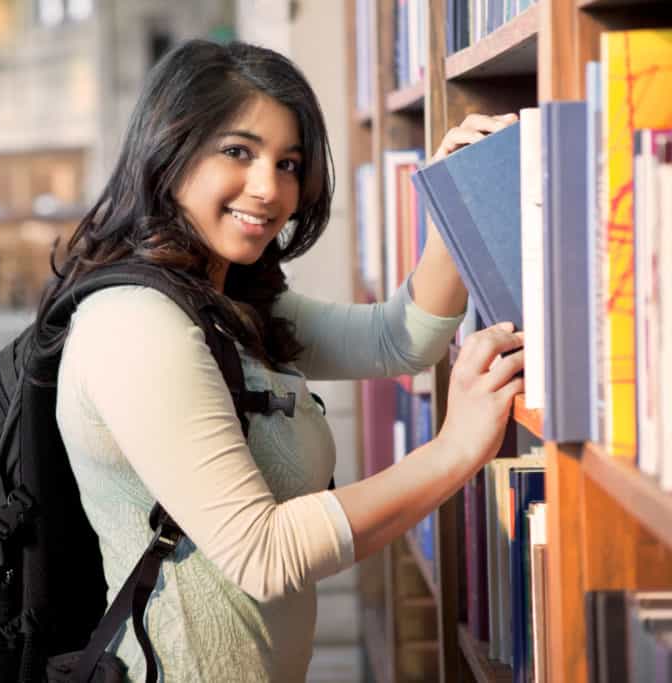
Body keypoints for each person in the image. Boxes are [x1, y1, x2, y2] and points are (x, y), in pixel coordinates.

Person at [41, 40, 524, 682]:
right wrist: (454, 451)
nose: (269, 188)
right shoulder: (136, 324)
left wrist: (452, 207)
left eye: (289, 162)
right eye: (238, 152)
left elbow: (398, 339)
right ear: (169, 149)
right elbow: (262, 553)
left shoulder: (228, 299)